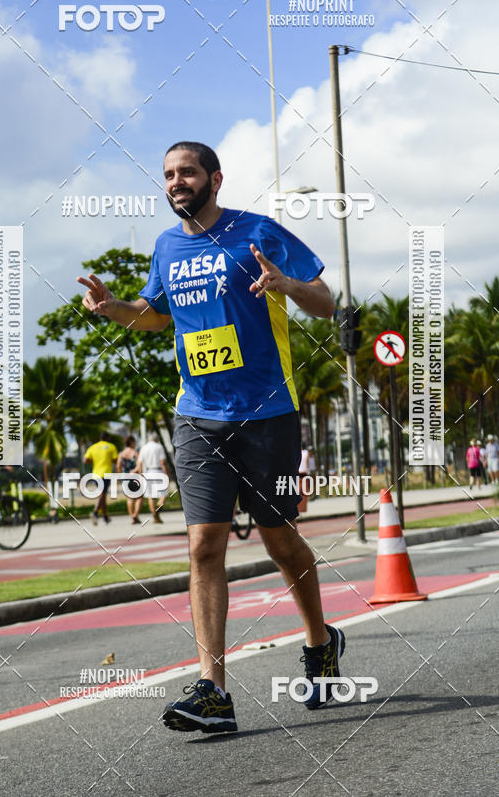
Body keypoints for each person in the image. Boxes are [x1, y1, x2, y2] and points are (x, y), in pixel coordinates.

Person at [78, 140, 341, 734]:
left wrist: (286, 286)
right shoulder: (167, 246)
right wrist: (114, 307)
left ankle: (320, 640)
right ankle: (213, 690)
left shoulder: (259, 232)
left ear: (214, 179)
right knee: (203, 546)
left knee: (279, 541)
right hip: (197, 415)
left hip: (267, 412)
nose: (176, 181)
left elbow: (326, 303)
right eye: (168, 173)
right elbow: (157, 314)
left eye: (187, 172)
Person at [84, 431, 118, 524]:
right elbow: (116, 460)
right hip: (106, 473)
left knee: (102, 494)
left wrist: (95, 460)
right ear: (107, 438)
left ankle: (105, 516)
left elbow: (85, 460)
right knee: (102, 494)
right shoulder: (111, 446)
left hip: (95, 474)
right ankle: (95, 512)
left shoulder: (93, 447)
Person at [136, 432, 169, 523]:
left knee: (151, 496)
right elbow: (162, 463)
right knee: (164, 494)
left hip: (148, 472)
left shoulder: (144, 447)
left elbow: (139, 464)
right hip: (158, 472)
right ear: (157, 439)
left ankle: (155, 515)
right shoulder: (159, 447)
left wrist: (140, 475)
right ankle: (158, 508)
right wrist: (166, 474)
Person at [118, 435, 142, 524]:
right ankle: (136, 514)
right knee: (139, 497)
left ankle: (132, 518)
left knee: (129, 498)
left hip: (125, 477)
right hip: (134, 477)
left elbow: (118, 466)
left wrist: (121, 475)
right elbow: (139, 465)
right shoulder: (135, 453)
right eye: (134, 442)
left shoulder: (121, 454)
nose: (135, 444)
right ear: (131, 442)